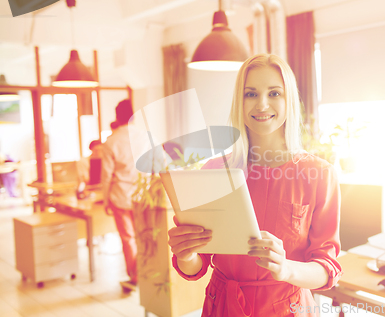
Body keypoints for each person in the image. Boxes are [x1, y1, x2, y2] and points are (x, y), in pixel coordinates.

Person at [167, 54, 342, 316]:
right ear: (240, 100)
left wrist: (286, 268)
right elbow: (198, 264)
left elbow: (327, 268)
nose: (262, 104)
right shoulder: (215, 172)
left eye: (274, 93)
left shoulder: (318, 174)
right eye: (251, 94)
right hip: (223, 306)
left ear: (289, 100)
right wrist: (186, 254)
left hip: (288, 308)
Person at [101, 99, 138, 290]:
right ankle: (146, 275)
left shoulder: (111, 141)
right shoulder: (146, 137)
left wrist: (105, 199)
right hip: (144, 197)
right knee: (144, 237)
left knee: (128, 239)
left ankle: (135, 278)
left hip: (121, 197)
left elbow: (106, 175)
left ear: (117, 116)